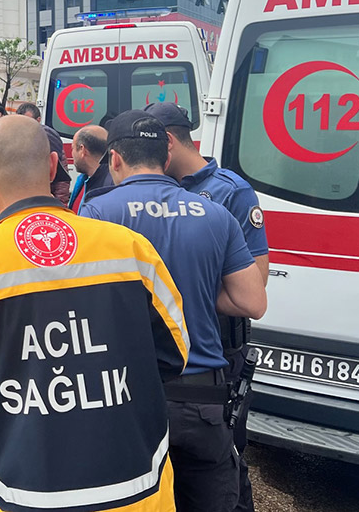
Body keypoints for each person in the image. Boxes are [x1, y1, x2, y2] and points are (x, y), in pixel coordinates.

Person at [0, 115, 190, 512]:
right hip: (134, 491)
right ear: (55, 165)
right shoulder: (132, 249)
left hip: (8, 494)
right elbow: (174, 352)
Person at [80, 110, 267, 512]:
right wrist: (193, 289)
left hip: (129, 400)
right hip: (205, 402)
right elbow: (254, 302)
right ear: (166, 158)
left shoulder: (96, 216)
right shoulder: (216, 214)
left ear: (113, 160)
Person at [145, 101, 269, 511]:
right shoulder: (149, 191)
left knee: (225, 464)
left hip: (217, 351)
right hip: (164, 358)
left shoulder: (229, 191)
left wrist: (182, 290)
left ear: (166, 142)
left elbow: (256, 283)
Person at [15, 102, 71, 204]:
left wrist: (59, 203)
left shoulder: (49, 138)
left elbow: (62, 179)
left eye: (29, 122)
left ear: (38, 120)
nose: (24, 127)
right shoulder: (13, 140)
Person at [68, 125, 113, 212]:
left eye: (72, 148)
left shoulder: (108, 187)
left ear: (82, 150)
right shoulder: (84, 179)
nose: (71, 153)